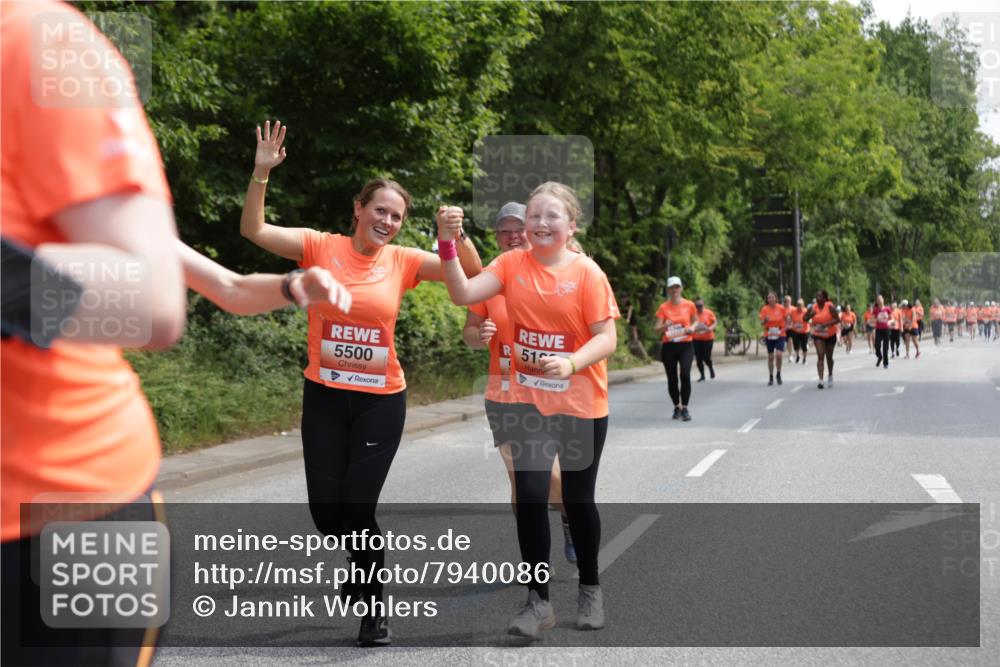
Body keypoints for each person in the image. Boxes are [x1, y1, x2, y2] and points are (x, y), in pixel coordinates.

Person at [239, 120, 482, 647]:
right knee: (327, 516)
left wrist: (452, 237)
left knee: (358, 506)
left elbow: (472, 274)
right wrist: (261, 173)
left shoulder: (404, 261)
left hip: (380, 402)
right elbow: (254, 232)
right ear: (358, 209)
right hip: (324, 396)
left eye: (396, 216)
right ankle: (359, 564)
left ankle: (374, 609)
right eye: (380, 211)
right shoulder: (319, 247)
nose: (388, 222)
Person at [439, 181, 619, 639]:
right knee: (530, 497)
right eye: (534, 215)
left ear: (570, 226)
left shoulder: (587, 274)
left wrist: (572, 361)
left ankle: (590, 588)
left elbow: (607, 337)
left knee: (577, 501)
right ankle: (538, 603)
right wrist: (446, 242)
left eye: (550, 216)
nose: (539, 223)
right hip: (526, 402)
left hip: (580, 402)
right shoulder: (510, 264)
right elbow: (463, 294)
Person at [462, 202, 576, 564]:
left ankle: (570, 519)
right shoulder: (490, 280)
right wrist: (479, 334)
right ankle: (534, 559)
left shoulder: (557, 274)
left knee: (551, 477)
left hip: (552, 393)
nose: (511, 236)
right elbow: (468, 331)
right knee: (520, 483)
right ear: (496, 238)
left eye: (518, 228)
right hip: (505, 393)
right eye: (503, 231)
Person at [655, 277, 699, 419]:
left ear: (681, 288)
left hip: (686, 344)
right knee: (672, 378)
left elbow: (695, 321)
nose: (674, 290)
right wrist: (664, 326)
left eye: (677, 287)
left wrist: (691, 328)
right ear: (668, 290)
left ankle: (685, 407)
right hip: (669, 346)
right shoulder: (663, 307)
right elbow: (656, 329)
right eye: (671, 288)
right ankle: (676, 407)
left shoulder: (689, 305)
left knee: (685, 375)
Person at [804, 289, 839, 388]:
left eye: (819, 296)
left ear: (824, 298)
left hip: (830, 335)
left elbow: (837, 319)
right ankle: (821, 380)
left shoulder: (830, 306)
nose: (817, 298)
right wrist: (810, 315)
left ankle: (830, 375)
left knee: (829, 358)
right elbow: (804, 318)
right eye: (817, 296)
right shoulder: (813, 307)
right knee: (820, 355)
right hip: (818, 335)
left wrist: (824, 325)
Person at [758, 291, 789, 386]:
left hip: (780, 334)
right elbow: (762, 323)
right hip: (769, 334)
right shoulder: (764, 309)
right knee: (770, 357)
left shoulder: (781, 308)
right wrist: (765, 320)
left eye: (772, 297)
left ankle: (778, 374)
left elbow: (788, 322)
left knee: (779, 355)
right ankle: (771, 376)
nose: (770, 299)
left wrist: (782, 330)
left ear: (776, 298)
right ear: (767, 300)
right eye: (769, 298)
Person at [692, 298, 718, 382]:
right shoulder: (693, 314)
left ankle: (710, 367)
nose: (699, 308)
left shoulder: (709, 313)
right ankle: (702, 375)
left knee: (706, 357)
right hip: (696, 339)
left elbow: (715, 322)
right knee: (698, 358)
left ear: (703, 305)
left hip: (708, 339)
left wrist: (710, 328)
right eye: (697, 306)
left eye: (700, 306)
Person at [872, 294, 893, 368]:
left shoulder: (887, 309)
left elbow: (891, 318)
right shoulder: (875, 310)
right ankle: (880, 356)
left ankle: (885, 363)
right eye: (878, 300)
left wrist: (890, 321)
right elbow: (873, 319)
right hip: (878, 329)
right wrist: (877, 319)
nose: (880, 301)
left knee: (885, 347)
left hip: (886, 329)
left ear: (883, 300)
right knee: (877, 345)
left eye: (881, 299)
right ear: (877, 302)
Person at [789, 297, 810, 364]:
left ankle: (804, 358)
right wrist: (791, 323)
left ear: (803, 305)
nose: (799, 306)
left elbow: (810, 320)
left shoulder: (806, 311)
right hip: (795, 331)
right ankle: (798, 355)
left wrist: (808, 321)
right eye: (798, 305)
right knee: (796, 345)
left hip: (804, 331)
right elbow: (790, 319)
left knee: (804, 345)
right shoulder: (793, 311)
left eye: (800, 305)